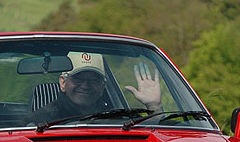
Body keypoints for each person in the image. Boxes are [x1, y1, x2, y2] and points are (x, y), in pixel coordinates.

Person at [26, 51, 163, 125]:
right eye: (78, 78)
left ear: (103, 86)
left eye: (94, 79)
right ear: (63, 83)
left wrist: (154, 106)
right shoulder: (41, 120)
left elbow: (151, 131)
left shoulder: (117, 117)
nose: (85, 85)